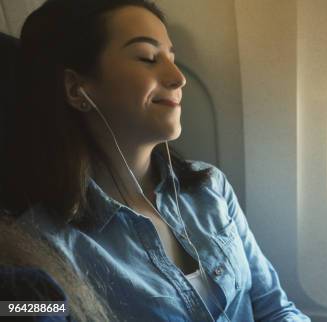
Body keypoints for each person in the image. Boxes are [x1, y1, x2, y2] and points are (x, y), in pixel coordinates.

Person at [0, 0, 310, 321]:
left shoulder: (209, 188)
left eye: (172, 58)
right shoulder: (40, 247)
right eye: (148, 58)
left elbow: (275, 308)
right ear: (77, 89)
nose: (178, 77)